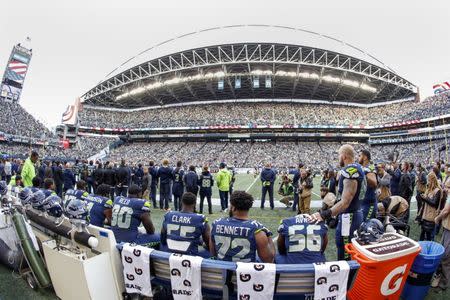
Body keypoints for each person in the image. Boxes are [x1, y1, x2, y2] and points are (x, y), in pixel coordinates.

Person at [310, 144, 365, 260]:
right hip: (354, 214)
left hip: (349, 217)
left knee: (345, 253)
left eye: (339, 155)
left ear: (344, 156)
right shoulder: (357, 167)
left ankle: (347, 278)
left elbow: (345, 202)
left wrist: (324, 214)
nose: (338, 158)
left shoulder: (350, 171)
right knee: (347, 250)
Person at [210, 191, 275, 263]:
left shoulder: (216, 224)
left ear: (233, 207)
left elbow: (213, 253)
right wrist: (268, 237)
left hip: (222, 269)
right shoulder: (257, 230)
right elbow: (268, 259)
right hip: (245, 272)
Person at [160, 192, 210, 257]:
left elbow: (162, 239)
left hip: (169, 255)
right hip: (189, 257)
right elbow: (209, 244)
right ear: (195, 203)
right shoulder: (201, 218)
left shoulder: (169, 215)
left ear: (181, 202)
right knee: (212, 252)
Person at [417, 172, 444, 241]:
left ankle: (429, 250)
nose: (427, 182)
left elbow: (434, 203)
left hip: (431, 216)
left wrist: (425, 198)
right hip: (425, 215)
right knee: (422, 234)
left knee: (430, 237)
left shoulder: (438, 190)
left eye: (428, 180)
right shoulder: (429, 189)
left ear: (432, 180)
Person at [434, 189, 450, 290]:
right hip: (447, 228)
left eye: (448, 186)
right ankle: (438, 275)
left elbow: (446, 210)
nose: (446, 189)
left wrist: (438, 218)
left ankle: (443, 283)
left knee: (445, 257)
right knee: (444, 253)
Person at [359, 150, 378, 220]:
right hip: (363, 203)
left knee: (366, 226)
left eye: (360, 156)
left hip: (369, 204)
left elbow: (374, 183)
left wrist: (363, 176)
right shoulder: (362, 168)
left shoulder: (370, 168)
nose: (358, 158)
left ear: (365, 157)